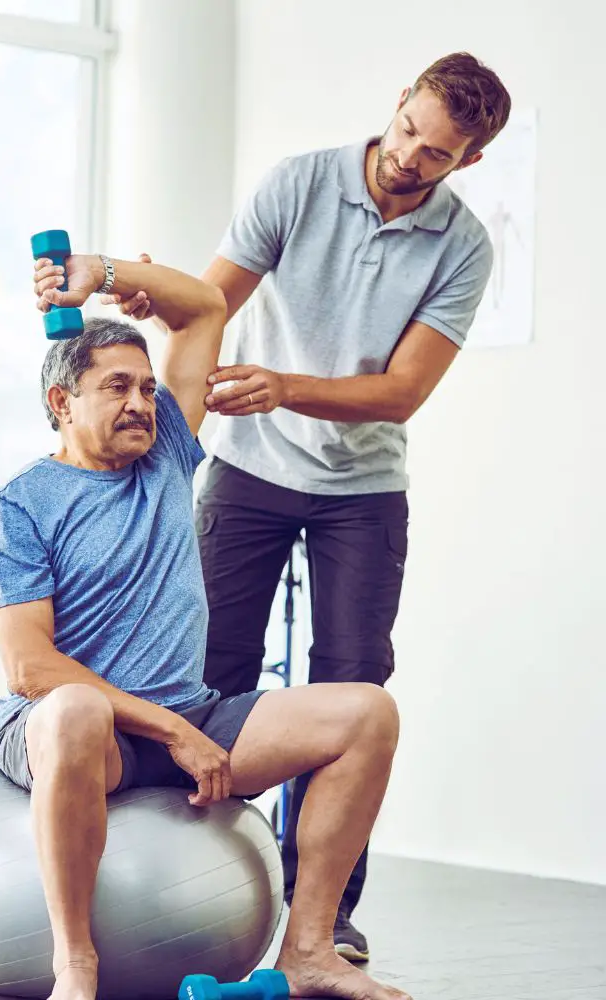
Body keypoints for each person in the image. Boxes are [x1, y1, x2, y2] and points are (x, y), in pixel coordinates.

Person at [103, 51, 512, 960]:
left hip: (362, 492)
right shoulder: (298, 184)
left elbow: (402, 393)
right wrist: (152, 296)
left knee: (351, 689)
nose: (410, 157)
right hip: (248, 469)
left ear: (468, 161)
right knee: (208, 666)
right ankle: (183, 875)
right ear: (398, 98)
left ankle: (322, 910)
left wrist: (284, 384)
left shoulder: (465, 246)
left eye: (438, 154)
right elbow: (210, 303)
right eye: (410, 130)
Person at [0, 250, 410, 1000]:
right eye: (116, 387)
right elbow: (30, 669)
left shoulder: (166, 460)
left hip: (190, 714)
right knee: (77, 706)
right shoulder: (21, 503)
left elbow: (206, 307)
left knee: (366, 711)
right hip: (78, 732)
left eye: (148, 388)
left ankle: (309, 948)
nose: (142, 403)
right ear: (61, 401)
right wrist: (171, 731)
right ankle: (75, 967)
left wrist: (101, 272)